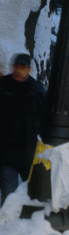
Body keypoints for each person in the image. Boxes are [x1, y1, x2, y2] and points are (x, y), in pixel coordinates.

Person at [0, 53, 45, 203]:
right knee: (8, 196)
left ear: (29, 69)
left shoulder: (37, 91)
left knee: (33, 197)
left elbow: (44, 120)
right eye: (17, 66)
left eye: (23, 67)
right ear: (13, 67)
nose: (19, 70)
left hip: (29, 153)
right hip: (6, 152)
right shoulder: (2, 86)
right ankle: (6, 224)